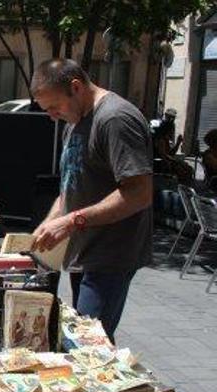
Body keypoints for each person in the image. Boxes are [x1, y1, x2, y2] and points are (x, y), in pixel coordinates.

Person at [30, 58, 153, 342]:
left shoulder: (115, 119)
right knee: (85, 340)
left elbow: (139, 192)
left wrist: (72, 221)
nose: (52, 116)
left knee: (87, 345)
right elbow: (71, 184)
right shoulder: (75, 121)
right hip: (82, 251)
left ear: (76, 87)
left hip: (110, 254)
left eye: (54, 107)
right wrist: (49, 223)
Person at [153, 108, 192, 184]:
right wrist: (175, 161)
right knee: (184, 170)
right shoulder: (161, 139)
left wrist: (178, 143)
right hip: (162, 164)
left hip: (167, 161)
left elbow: (171, 153)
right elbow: (164, 155)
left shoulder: (167, 139)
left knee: (187, 168)